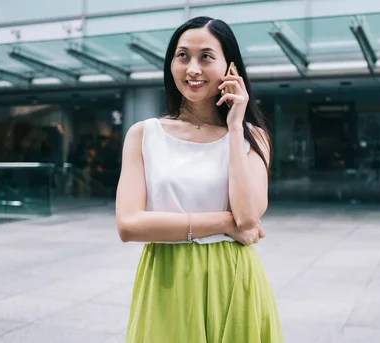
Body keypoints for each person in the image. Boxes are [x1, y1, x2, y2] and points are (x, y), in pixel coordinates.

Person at [116, 16, 283, 343]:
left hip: (232, 278)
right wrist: (223, 222)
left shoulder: (253, 137)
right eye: (182, 56)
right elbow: (128, 225)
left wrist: (236, 127)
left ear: (229, 67)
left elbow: (248, 217)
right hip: (166, 276)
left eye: (206, 56)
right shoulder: (143, 135)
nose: (192, 68)